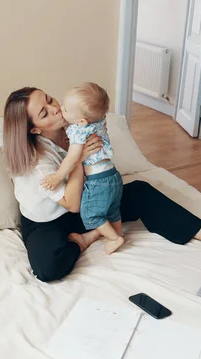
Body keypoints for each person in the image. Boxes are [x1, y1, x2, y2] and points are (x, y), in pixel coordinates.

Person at [3, 87, 201, 283]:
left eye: (49, 99)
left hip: (87, 197)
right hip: (52, 218)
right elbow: (72, 205)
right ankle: (88, 238)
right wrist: (78, 160)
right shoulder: (37, 162)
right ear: (35, 130)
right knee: (48, 268)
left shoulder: (73, 123)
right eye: (44, 113)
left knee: (141, 191)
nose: (55, 108)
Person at [41, 82, 124, 255]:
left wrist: (57, 177)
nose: (60, 108)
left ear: (81, 121)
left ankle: (114, 239)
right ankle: (117, 234)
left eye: (66, 109)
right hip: (114, 175)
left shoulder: (78, 132)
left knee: (91, 215)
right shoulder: (99, 121)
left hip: (98, 181)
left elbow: (72, 158)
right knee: (113, 210)